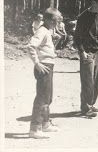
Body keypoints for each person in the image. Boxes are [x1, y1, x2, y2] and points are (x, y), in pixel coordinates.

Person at [28, 8, 62, 139]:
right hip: (44, 67)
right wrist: (37, 63)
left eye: (58, 20)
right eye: (55, 20)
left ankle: (45, 123)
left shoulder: (47, 31)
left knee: (48, 97)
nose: (56, 23)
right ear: (47, 19)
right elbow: (31, 46)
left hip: (49, 65)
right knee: (42, 97)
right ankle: (35, 128)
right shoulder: (42, 31)